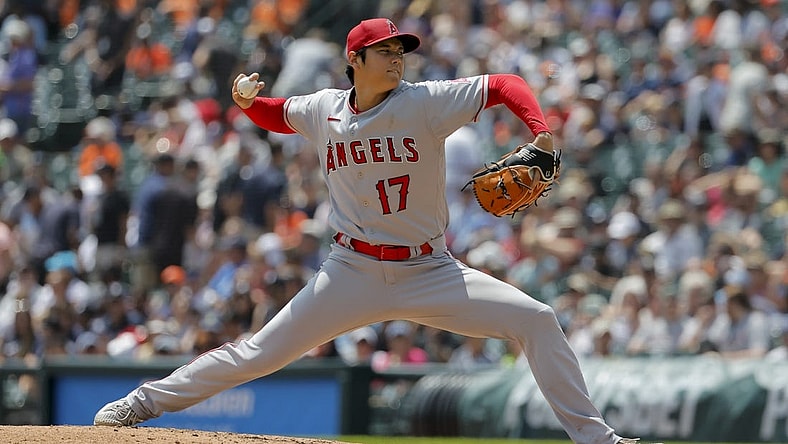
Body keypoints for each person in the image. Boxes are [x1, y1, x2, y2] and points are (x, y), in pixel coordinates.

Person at [94, 18, 637, 444]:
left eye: (401, 51)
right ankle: (141, 403)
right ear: (355, 59)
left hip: (429, 269)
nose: (398, 58)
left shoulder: (424, 102)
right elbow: (276, 114)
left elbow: (505, 84)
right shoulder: (325, 109)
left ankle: (600, 441)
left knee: (538, 320)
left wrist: (540, 132)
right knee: (258, 353)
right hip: (350, 269)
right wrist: (245, 102)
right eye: (386, 51)